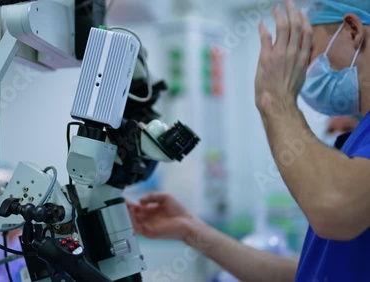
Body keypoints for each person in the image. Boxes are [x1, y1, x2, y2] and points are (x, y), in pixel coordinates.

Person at [128, 0, 370, 281]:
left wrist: (274, 99)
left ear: (353, 30)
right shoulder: (358, 139)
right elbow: (311, 273)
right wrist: (192, 231)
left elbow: (334, 209)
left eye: (310, 52)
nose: (305, 70)